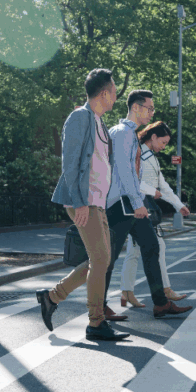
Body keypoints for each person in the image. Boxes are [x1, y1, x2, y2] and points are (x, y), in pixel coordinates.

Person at [35, 68, 129, 342]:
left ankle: (52, 297)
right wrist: (80, 203)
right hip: (83, 201)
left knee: (99, 259)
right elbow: (70, 164)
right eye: (113, 92)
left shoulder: (99, 123)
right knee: (100, 259)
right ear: (103, 93)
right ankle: (95, 322)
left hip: (97, 202)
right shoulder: (80, 118)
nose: (115, 97)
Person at [105, 91, 192, 319]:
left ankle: (161, 304)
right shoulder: (123, 134)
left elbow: (140, 177)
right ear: (136, 107)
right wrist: (138, 202)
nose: (152, 113)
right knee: (108, 257)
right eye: (149, 108)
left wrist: (175, 204)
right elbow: (126, 173)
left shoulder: (130, 135)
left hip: (129, 204)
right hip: (120, 204)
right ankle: (93, 305)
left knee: (151, 247)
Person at [119, 121, 191, 308]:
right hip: (138, 208)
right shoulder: (139, 154)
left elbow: (164, 185)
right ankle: (163, 290)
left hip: (144, 208)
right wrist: (153, 191)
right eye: (163, 142)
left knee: (135, 252)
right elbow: (131, 180)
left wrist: (178, 205)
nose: (164, 147)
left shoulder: (152, 157)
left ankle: (127, 292)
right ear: (153, 137)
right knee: (155, 247)